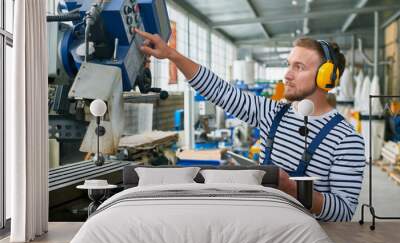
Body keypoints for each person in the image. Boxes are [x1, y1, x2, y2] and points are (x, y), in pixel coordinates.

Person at [134, 28, 366, 222]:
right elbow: (220, 91)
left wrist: (292, 188)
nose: (287, 75)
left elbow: (344, 211)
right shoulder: (273, 113)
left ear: (326, 77)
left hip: (307, 240)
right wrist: (172, 55)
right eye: (288, 65)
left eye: (299, 67)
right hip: (262, 223)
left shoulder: (346, 139)